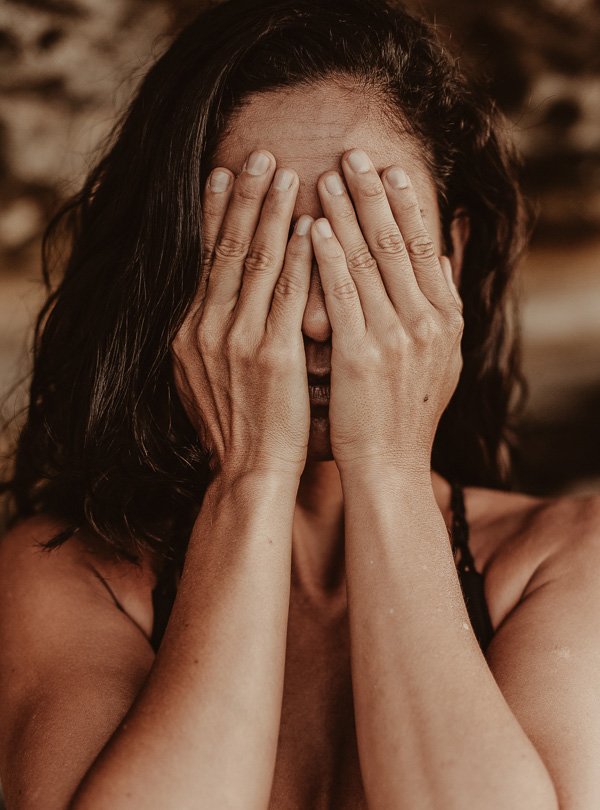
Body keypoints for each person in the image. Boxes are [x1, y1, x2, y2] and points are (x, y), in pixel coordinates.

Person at [0, 0, 599, 807]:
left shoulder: (567, 559)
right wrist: (252, 475)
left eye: (365, 250)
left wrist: (385, 465)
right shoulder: (68, 576)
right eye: (258, 254)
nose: (318, 318)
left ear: (448, 257)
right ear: (174, 275)